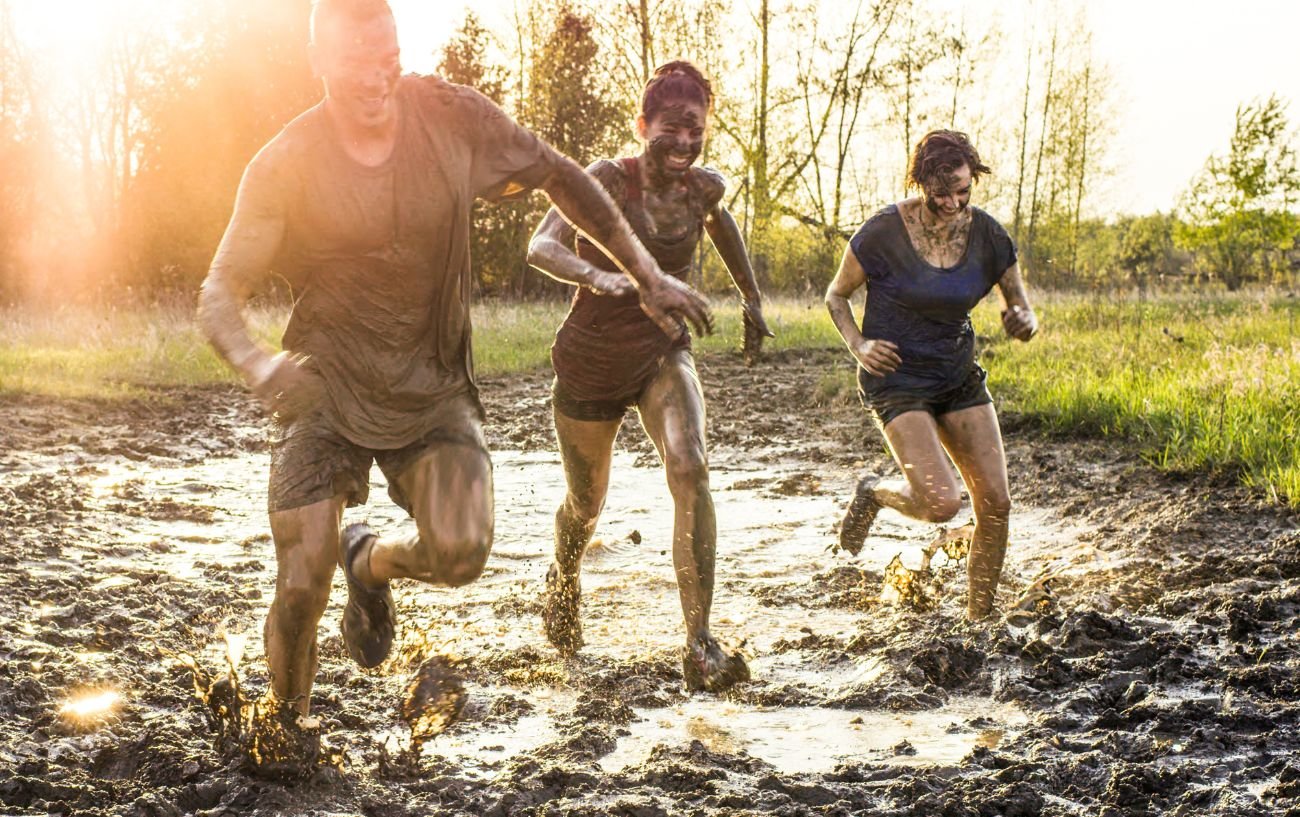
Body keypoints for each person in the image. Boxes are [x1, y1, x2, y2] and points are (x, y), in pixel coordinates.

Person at [197, 0, 713, 740]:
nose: (378, 77)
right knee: (302, 582)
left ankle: (369, 561)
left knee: (462, 551)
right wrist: (254, 358)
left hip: (433, 389)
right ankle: (286, 731)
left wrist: (644, 273)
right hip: (322, 389)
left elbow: (560, 174)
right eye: (356, 61)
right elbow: (218, 293)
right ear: (318, 59)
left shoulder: (451, 116)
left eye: (389, 56)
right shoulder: (287, 161)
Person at [526, 61, 770, 692]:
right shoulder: (607, 177)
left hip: (663, 351)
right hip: (591, 358)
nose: (684, 142)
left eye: (696, 129)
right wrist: (605, 277)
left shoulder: (704, 188)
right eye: (671, 128)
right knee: (586, 505)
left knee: (689, 465)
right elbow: (542, 246)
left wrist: (752, 297)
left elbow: (722, 228)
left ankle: (699, 642)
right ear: (642, 126)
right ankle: (563, 577)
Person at [824, 129, 1038, 621]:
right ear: (920, 183)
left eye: (962, 191)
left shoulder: (988, 235)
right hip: (896, 378)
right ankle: (874, 492)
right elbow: (836, 296)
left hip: (957, 376)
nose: (952, 202)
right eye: (941, 193)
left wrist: (1023, 321)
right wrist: (859, 345)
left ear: (972, 179)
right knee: (942, 504)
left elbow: (1021, 307)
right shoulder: (881, 232)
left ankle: (978, 620)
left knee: (996, 504)